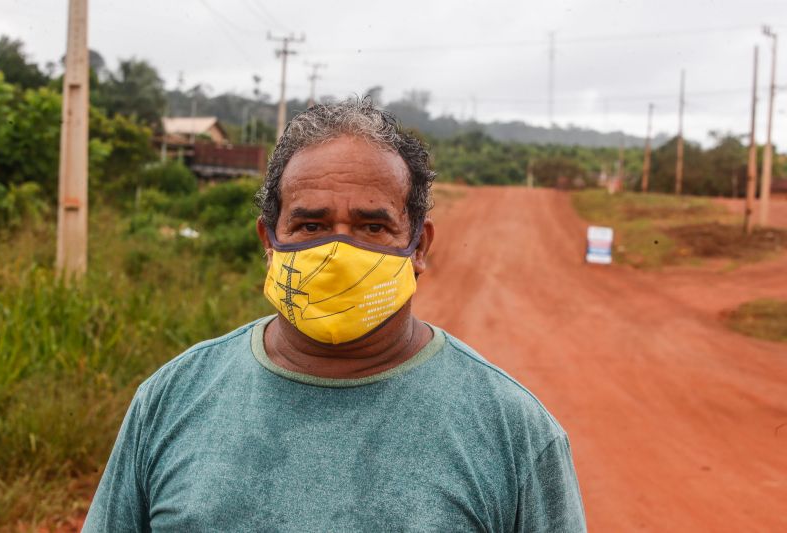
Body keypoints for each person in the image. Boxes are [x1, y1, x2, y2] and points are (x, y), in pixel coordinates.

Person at [83, 99, 586, 532]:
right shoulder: (171, 399)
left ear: (418, 247)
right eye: (310, 224)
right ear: (269, 241)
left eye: (372, 226)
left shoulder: (512, 433)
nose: (337, 249)